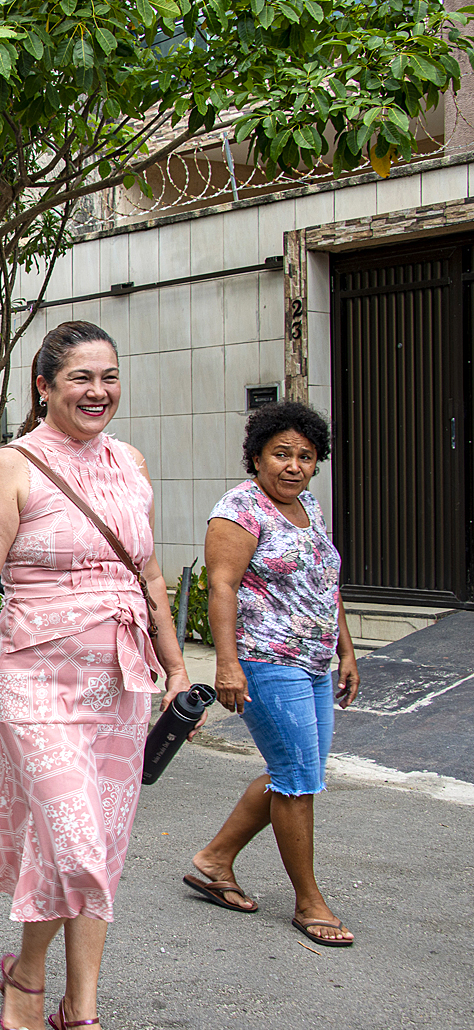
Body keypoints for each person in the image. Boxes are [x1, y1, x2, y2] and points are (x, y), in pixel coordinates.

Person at [0, 321, 197, 1030]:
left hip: (120, 683)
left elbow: (148, 574)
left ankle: (78, 1006)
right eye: (80, 377)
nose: (97, 391)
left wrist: (174, 668)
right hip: (35, 681)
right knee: (75, 839)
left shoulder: (130, 463)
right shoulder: (9, 467)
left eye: (108, 376)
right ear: (42, 385)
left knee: (97, 847)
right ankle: (26, 973)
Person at [184, 401, 360, 948]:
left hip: (314, 661)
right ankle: (310, 903)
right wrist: (227, 663)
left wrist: (347, 652)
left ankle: (215, 859)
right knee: (298, 777)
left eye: (305, 456)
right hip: (266, 660)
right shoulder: (240, 508)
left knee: (295, 770)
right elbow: (222, 588)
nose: (294, 466)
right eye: (281, 454)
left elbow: (325, 586)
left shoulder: (309, 506)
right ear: (256, 456)